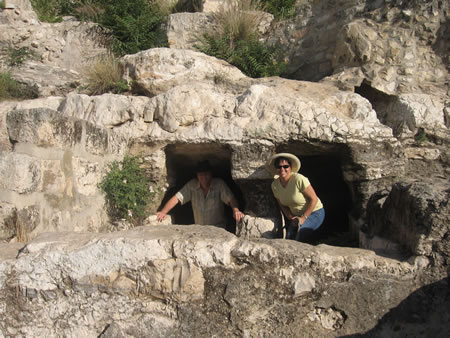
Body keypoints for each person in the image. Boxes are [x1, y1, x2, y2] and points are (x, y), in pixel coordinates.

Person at [156, 160, 244, 229]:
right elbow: (176, 198)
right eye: (201, 175)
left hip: (218, 228)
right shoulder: (192, 185)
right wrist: (163, 212)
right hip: (200, 229)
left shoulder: (219, 184)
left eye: (206, 174)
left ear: (211, 174)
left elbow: (231, 199)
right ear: (197, 176)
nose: (204, 177)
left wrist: (236, 211)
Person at [267, 153, 325, 243]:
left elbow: (314, 199)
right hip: (296, 217)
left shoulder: (299, 179)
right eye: (279, 167)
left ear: (290, 168)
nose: (282, 169)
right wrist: (290, 217)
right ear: (276, 169)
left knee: (300, 233)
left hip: (314, 212)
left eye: (285, 166)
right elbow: (281, 204)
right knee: (289, 238)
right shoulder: (275, 185)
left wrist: (304, 218)